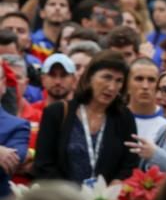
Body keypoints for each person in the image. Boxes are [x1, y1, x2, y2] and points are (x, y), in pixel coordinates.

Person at [33, 51, 139, 182]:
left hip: (106, 199)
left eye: (119, 81)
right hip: (62, 198)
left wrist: (115, 185)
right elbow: (44, 165)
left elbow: (130, 165)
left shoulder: (124, 117)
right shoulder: (57, 112)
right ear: (89, 78)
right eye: (107, 77)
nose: (112, 87)